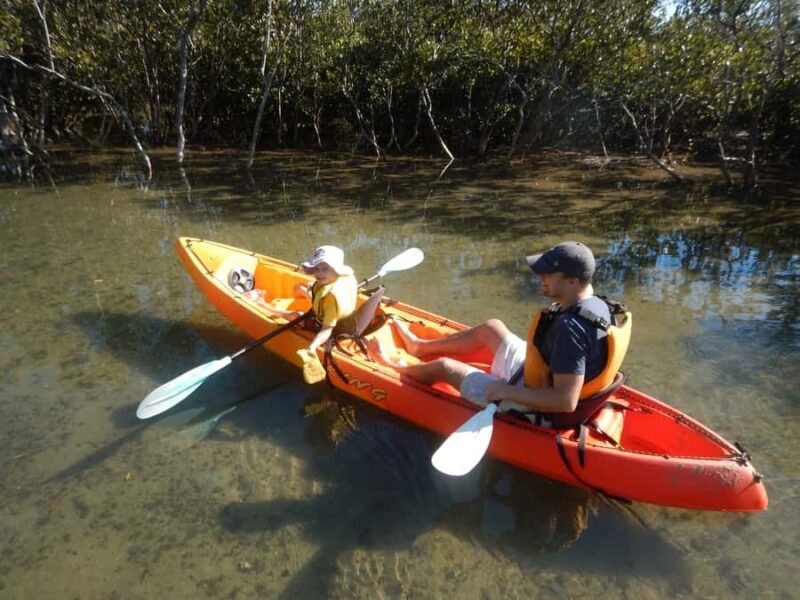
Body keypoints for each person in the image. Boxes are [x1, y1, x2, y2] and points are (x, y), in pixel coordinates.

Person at [371, 241, 630, 428]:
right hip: (535, 376)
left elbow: (565, 401)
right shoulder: (596, 303)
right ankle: (419, 348)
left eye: (548, 274)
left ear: (573, 281)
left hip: (541, 406)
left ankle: (393, 369)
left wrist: (503, 391)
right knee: (491, 328)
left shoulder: (570, 329)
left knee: (444, 367)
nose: (540, 277)